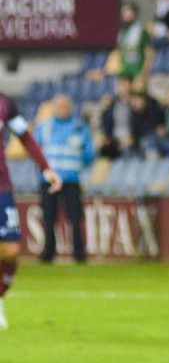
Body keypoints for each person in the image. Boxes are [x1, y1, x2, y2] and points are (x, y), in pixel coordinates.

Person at [0, 93, 62, 329]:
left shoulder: (5, 103)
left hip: (1, 187)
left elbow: (25, 137)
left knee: (11, 251)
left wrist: (45, 168)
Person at [34, 95, 94, 264]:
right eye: (59, 107)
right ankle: (49, 252)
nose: (62, 110)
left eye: (65, 107)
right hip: (49, 179)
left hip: (71, 179)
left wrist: (77, 167)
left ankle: (79, 253)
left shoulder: (79, 127)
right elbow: (35, 151)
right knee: (48, 217)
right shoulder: (44, 127)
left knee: (75, 218)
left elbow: (89, 153)